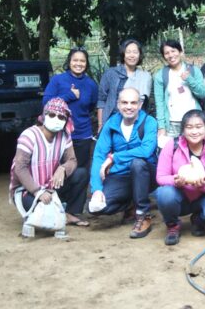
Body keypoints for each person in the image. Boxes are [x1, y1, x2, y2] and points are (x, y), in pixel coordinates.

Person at [9, 98, 90, 228]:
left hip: (50, 185)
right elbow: (20, 168)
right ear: (44, 116)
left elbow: (72, 160)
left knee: (81, 173)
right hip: (27, 190)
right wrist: (37, 192)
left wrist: (63, 168)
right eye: (52, 115)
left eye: (61, 117)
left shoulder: (64, 136)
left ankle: (69, 212)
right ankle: (53, 212)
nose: (56, 119)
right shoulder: (29, 136)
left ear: (65, 121)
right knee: (47, 216)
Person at [89, 88, 158, 238]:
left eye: (133, 103)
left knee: (138, 163)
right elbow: (99, 156)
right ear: (118, 105)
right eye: (124, 102)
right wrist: (97, 189)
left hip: (147, 174)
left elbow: (146, 150)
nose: (129, 106)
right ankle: (131, 203)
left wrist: (114, 157)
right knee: (97, 207)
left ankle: (143, 215)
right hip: (120, 175)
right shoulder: (111, 124)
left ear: (140, 105)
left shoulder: (149, 122)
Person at [155, 110, 205, 245]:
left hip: (203, 196)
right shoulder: (172, 145)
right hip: (179, 196)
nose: (194, 132)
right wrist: (175, 181)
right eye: (189, 127)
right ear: (183, 129)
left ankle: (198, 220)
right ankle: (173, 225)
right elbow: (161, 177)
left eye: (199, 127)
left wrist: (202, 185)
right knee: (164, 193)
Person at [43, 48, 98, 171]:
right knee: (58, 170)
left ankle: (80, 191)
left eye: (82, 61)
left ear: (86, 63)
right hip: (58, 133)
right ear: (69, 62)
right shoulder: (58, 80)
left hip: (82, 135)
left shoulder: (91, 84)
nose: (79, 63)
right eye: (75, 60)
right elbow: (46, 103)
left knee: (81, 171)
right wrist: (69, 96)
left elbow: (91, 107)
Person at [153, 39, 205, 140]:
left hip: (193, 122)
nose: (171, 55)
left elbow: (202, 94)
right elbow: (159, 103)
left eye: (173, 51)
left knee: (194, 154)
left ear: (180, 51)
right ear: (164, 56)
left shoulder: (194, 70)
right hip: (172, 124)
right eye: (167, 53)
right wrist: (161, 126)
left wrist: (189, 79)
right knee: (172, 153)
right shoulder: (160, 75)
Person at [97, 39, 152, 133]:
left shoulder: (145, 77)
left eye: (135, 52)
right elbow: (101, 100)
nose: (132, 55)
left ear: (139, 55)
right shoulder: (111, 73)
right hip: (112, 122)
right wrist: (100, 124)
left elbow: (145, 104)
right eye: (128, 52)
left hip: (136, 124)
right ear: (123, 54)